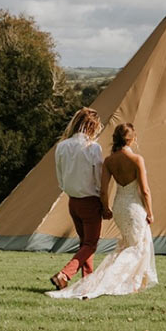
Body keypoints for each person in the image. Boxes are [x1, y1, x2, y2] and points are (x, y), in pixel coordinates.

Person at [47, 122, 158, 299]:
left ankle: (128, 283)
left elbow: (104, 189)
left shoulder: (109, 161)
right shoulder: (137, 160)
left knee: (127, 245)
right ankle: (112, 282)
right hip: (134, 207)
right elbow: (145, 190)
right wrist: (150, 212)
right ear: (132, 139)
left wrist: (106, 207)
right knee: (137, 247)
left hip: (119, 207)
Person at [49, 107, 109, 291]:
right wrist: (103, 201)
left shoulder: (62, 146)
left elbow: (60, 177)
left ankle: (86, 284)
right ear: (93, 127)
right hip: (89, 200)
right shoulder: (92, 148)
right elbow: (98, 177)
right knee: (91, 244)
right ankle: (65, 274)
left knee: (85, 244)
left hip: (72, 200)